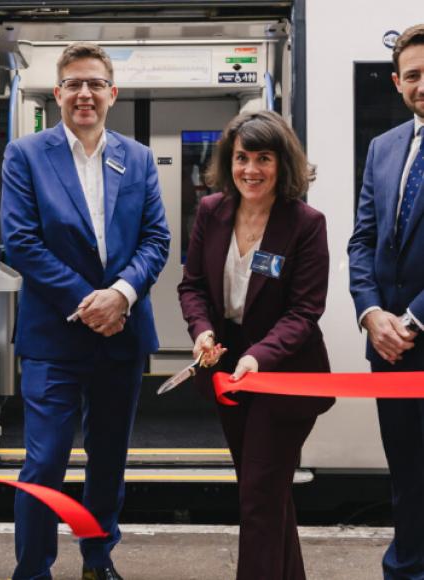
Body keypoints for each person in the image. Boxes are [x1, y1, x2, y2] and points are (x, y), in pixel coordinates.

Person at [0, 42, 170, 580]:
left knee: (108, 464)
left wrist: (120, 294)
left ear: (112, 93)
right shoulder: (26, 155)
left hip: (121, 336)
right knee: (44, 462)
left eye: (95, 83)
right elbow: (21, 242)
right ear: (57, 93)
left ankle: (97, 561)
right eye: (73, 83)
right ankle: (32, 570)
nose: (84, 93)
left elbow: (156, 239)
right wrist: (89, 301)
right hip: (54, 338)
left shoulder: (137, 157)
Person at [178, 110, 334, 580]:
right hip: (228, 376)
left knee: (258, 499)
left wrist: (256, 356)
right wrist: (202, 330)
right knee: (265, 492)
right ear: (229, 161)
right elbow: (193, 287)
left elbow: (305, 312)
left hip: (285, 376)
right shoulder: (212, 211)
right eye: (243, 157)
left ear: (282, 163)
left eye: (264, 158)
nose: (251, 169)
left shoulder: (305, 223)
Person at [348, 23, 424, 579]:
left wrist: (413, 319)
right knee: (406, 471)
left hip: (414, 332)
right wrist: (372, 314)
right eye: (414, 75)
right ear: (398, 83)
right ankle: (405, 568)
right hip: (390, 349)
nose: (423, 85)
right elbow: (363, 240)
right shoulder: (384, 147)